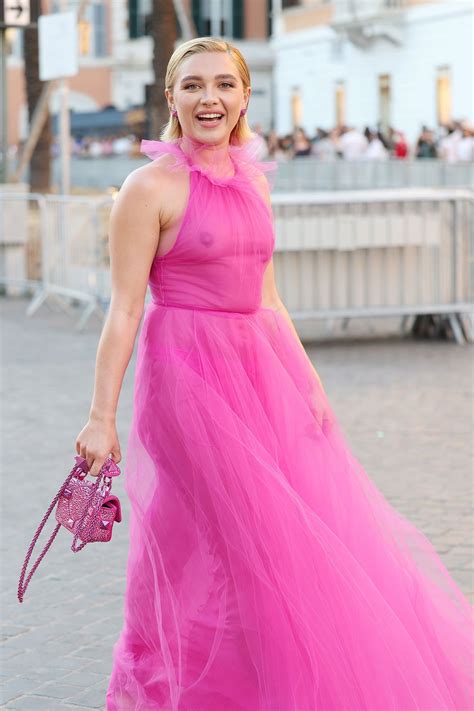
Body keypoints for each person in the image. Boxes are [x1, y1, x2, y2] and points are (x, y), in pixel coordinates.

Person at [75, 37, 473, 710]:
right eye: (194, 85)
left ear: (243, 97)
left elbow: (269, 294)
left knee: (284, 545)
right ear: (171, 97)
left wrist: (308, 381)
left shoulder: (254, 177)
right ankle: (193, 692)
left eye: (224, 85)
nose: (210, 99)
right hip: (186, 382)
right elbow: (124, 308)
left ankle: (264, 688)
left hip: (261, 373)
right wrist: (100, 416)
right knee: (230, 547)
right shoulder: (148, 188)